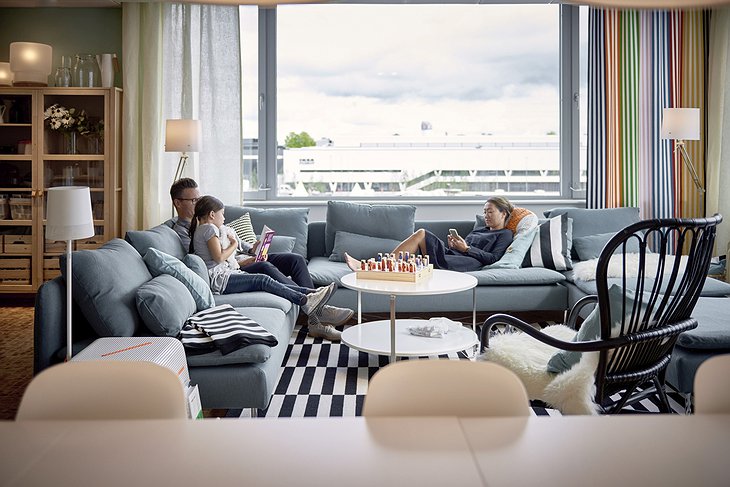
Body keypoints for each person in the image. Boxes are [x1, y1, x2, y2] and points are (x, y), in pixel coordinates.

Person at [190, 195, 344, 341]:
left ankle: (312, 300)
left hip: (227, 273)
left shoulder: (216, 229)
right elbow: (219, 257)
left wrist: (253, 248)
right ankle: (311, 297)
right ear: (212, 214)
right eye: (222, 214)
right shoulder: (208, 229)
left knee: (277, 270)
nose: (224, 218)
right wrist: (235, 244)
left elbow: (231, 251)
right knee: (263, 279)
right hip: (221, 278)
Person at [345, 196, 514, 273]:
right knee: (419, 240)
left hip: (469, 261)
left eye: (490, 212)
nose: (486, 216)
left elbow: (494, 258)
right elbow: (464, 247)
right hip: (456, 254)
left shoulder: (505, 234)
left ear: (503, 213)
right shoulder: (481, 229)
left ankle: (371, 267)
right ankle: (374, 267)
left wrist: (467, 249)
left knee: (421, 234)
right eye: (484, 212)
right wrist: (456, 245)